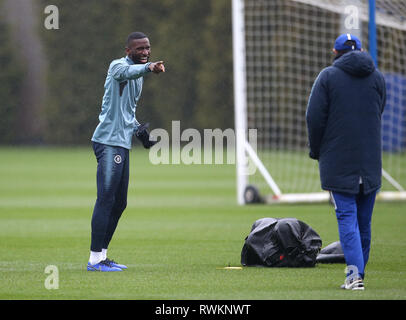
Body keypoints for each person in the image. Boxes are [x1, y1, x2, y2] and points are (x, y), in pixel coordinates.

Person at [306, 34, 386, 290]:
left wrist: (317, 150)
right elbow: (380, 108)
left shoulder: (328, 77)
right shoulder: (377, 77)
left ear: (335, 51)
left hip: (339, 161)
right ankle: (358, 273)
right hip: (370, 160)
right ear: (362, 50)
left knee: (347, 218)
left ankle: (354, 277)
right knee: (364, 221)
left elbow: (314, 118)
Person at [87, 32, 165, 272]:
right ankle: (94, 260)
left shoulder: (139, 75)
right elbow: (126, 73)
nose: (145, 52)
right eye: (140, 49)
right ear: (128, 50)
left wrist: (141, 134)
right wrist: (150, 67)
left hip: (121, 143)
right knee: (106, 199)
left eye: (148, 48)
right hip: (108, 143)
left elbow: (126, 113)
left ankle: (102, 256)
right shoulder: (118, 66)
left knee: (120, 203)